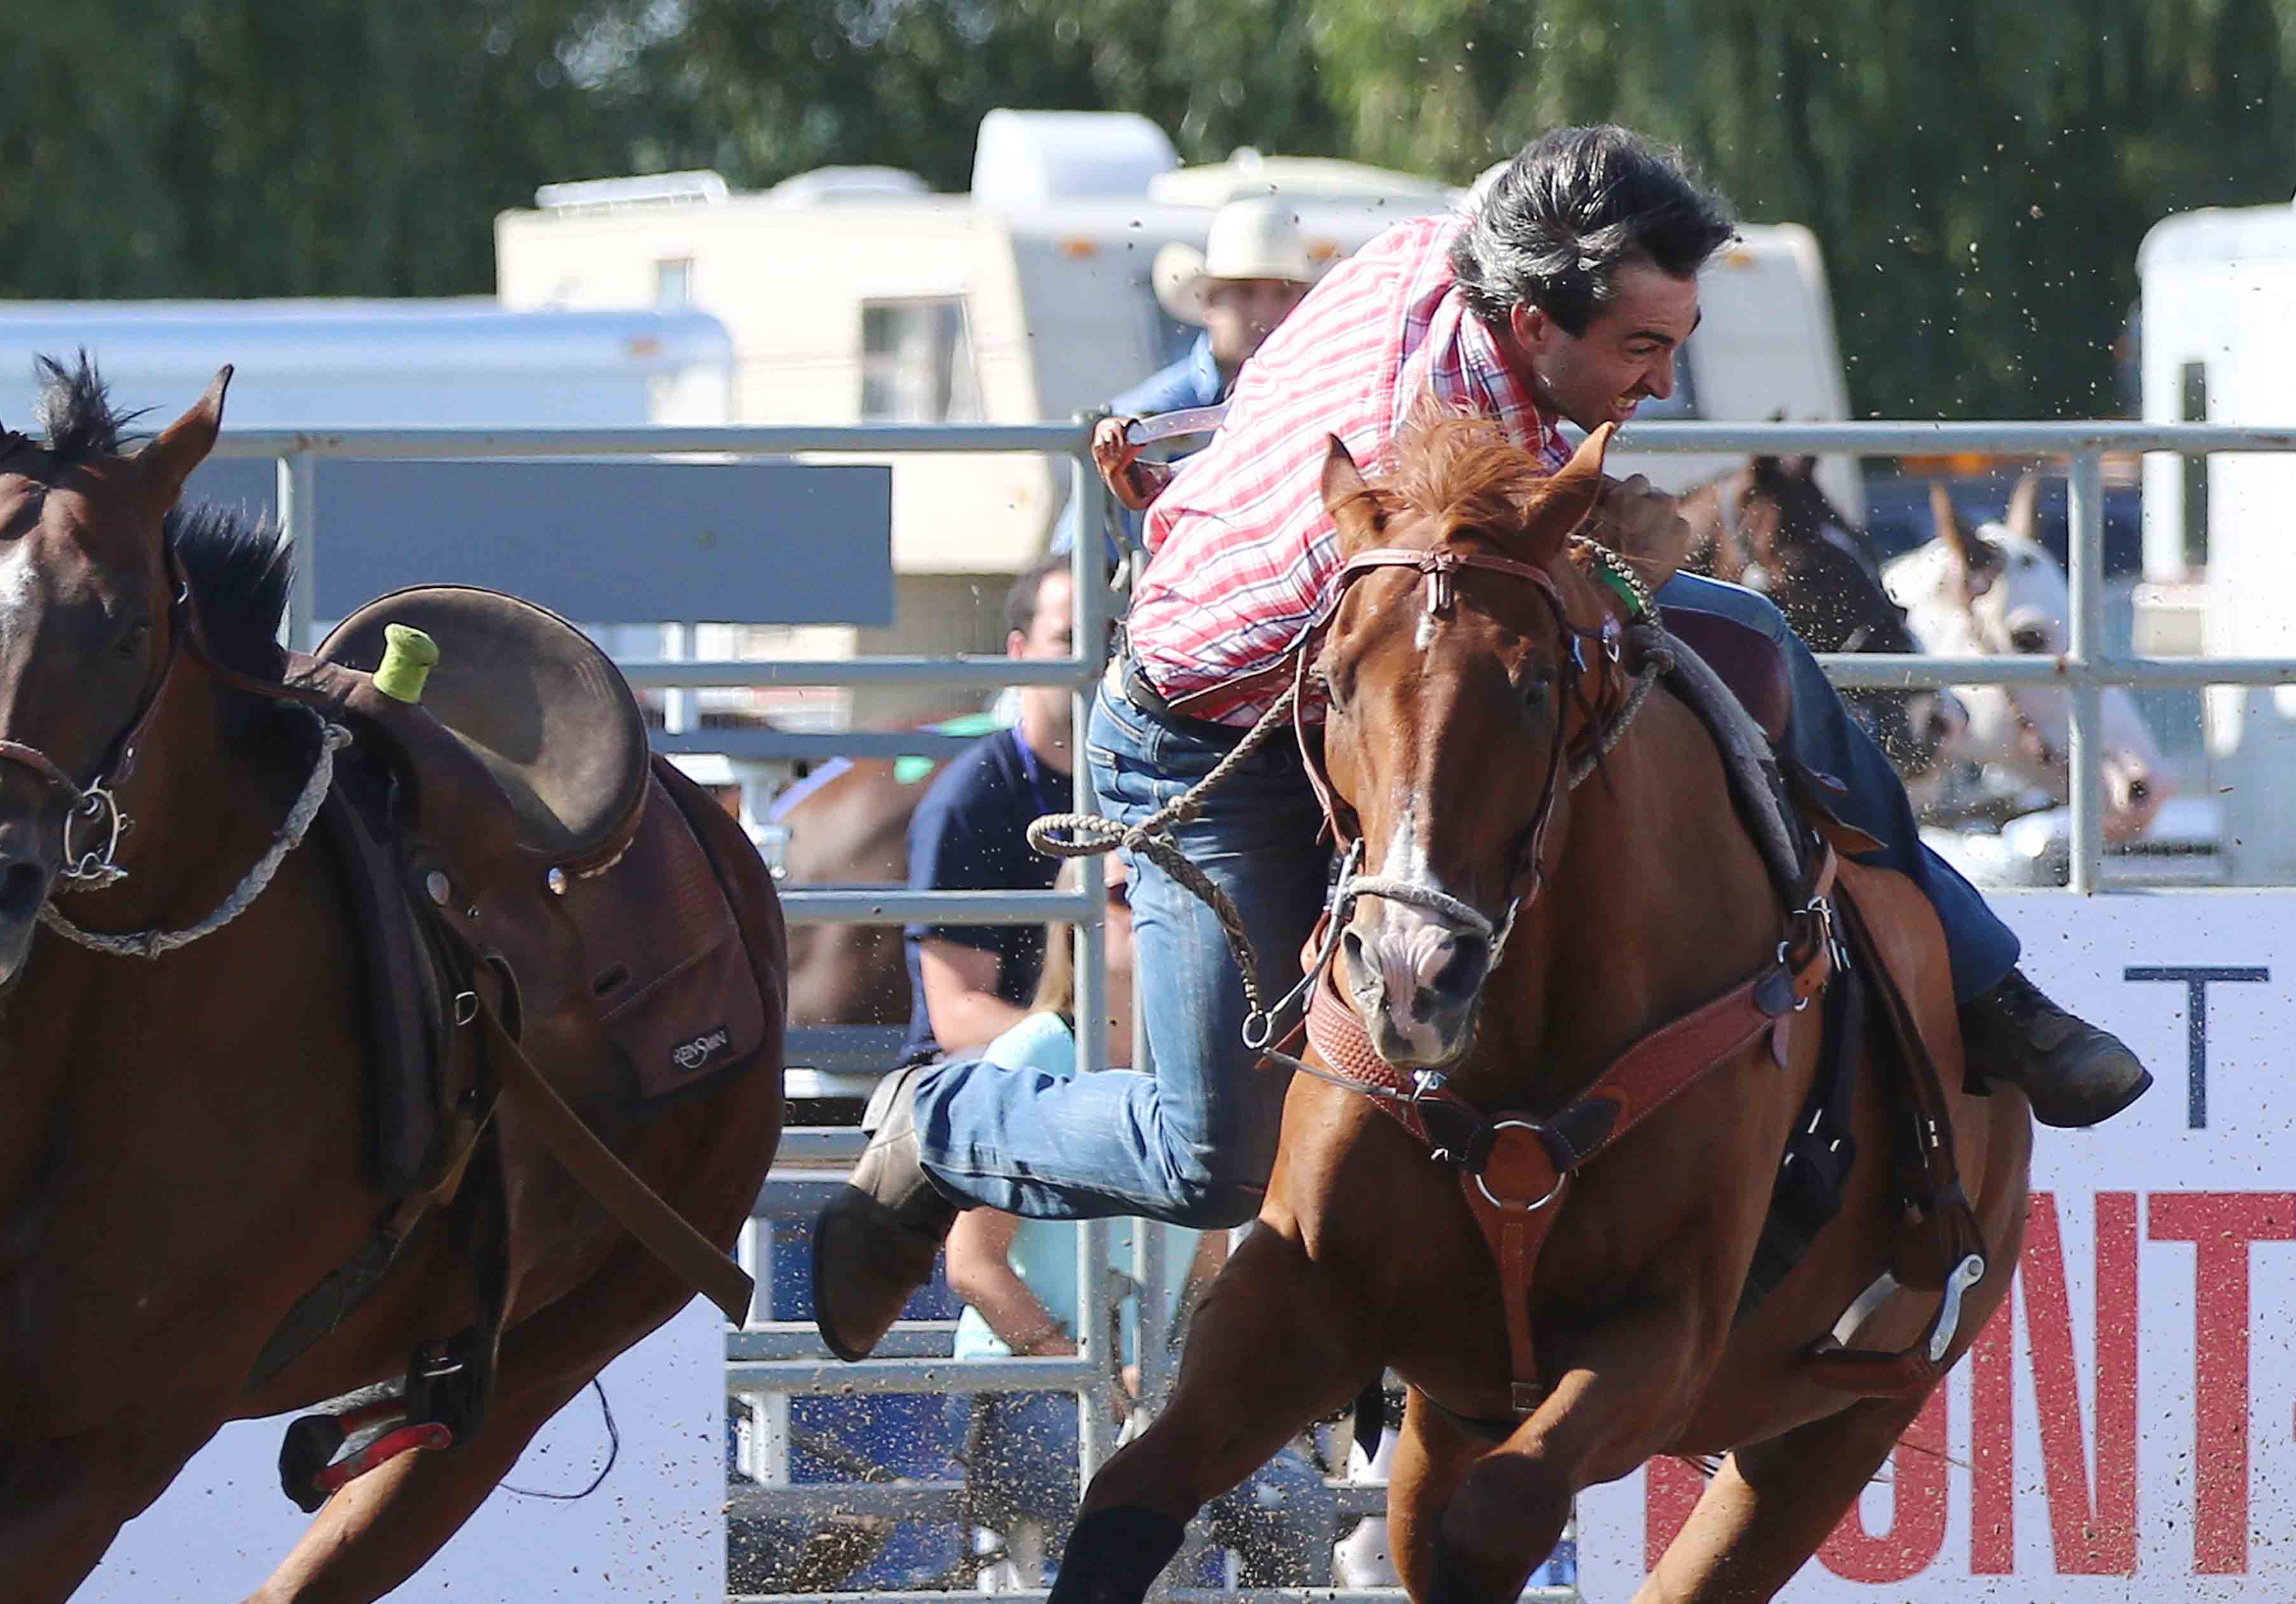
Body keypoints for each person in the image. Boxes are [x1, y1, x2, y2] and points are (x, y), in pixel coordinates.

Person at [815, 124, 2153, 1359]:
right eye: (1640, 345)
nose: (1664, 379)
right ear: (1533, 324)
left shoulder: (1455, 252)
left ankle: (1983, 980)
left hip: (1373, 687)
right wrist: (1635, 557)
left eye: (1676, 338)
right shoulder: (1448, 445)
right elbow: (1480, 633)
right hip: (1219, 732)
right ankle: (940, 1129)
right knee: (1208, 1154)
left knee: (1755, 645)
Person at [939, 862, 1335, 1604]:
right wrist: (1074, 1361)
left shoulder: (1191, 1065)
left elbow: (1205, 1265)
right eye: (1121, 894)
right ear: (1077, 922)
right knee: (1168, 1519)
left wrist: (1199, 1374)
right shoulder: (1036, 1051)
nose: (1141, 911)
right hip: (1026, 1384)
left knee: (1293, 1507)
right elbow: (973, 1260)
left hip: (1150, 1387)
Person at [1069, 197, 1320, 557]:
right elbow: (1078, 551)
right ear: (1208, 302)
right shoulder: (1152, 410)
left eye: (1282, 293)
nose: (1266, 313)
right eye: (1246, 293)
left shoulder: (1313, 397)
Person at [901, 555, 1078, 1057]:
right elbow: (959, 1016)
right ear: (1019, 653)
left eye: (1114, 639)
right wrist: (1095, 1050)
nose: (1097, 660)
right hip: (981, 1076)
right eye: (1069, 639)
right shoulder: (973, 798)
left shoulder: (1141, 784)